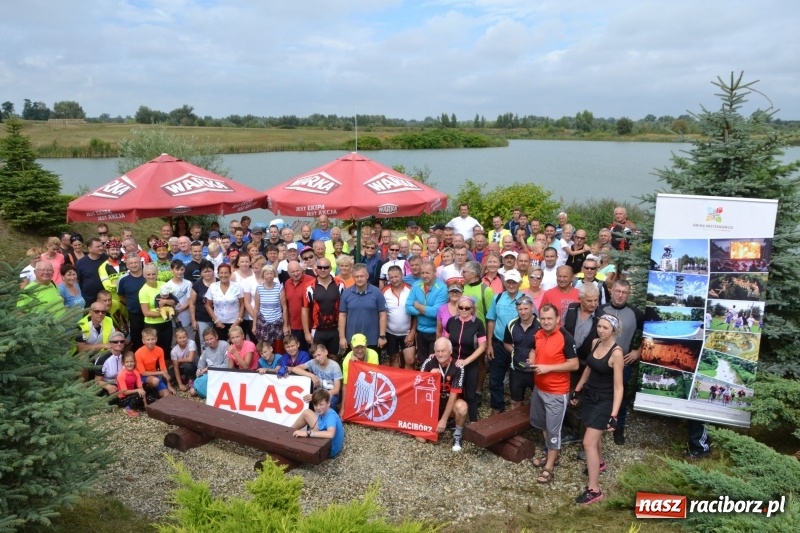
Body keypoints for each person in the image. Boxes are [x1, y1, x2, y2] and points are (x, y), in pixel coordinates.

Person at [572, 314, 625, 505]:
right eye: (599, 326)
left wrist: (614, 415)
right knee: (591, 434)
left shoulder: (616, 353)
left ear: (614, 331)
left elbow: (619, 387)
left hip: (605, 401)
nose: (601, 330)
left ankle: (594, 490)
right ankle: (600, 463)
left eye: (605, 328)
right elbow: (589, 368)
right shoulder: (596, 342)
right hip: (589, 396)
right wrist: (577, 389)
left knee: (588, 443)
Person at [528, 304, 579, 484]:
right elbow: (534, 349)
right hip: (539, 389)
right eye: (543, 318)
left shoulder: (566, 337)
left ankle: (549, 467)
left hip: (557, 392)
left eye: (550, 318)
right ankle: (551, 455)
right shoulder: (539, 333)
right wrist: (532, 359)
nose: (546, 322)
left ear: (558, 319)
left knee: (554, 430)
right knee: (543, 425)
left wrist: (548, 368)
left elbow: (574, 364)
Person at [596, 279, 644, 445]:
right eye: (618, 291)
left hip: (623, 362)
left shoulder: (635, 313)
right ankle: (598, 423)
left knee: (620, 395)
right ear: (612, 291)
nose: (620, 295)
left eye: (624, 292)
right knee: (600, 392)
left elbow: (651, 333)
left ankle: (619, 427)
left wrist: (638, 351)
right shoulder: (601, 310)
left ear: (629, 294)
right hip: (602, 360)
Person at [418, 337, 468, 452]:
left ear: (450, 351)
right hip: (431, 406)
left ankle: (457, 434)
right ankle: (434, 421)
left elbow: (453, 395)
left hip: (449, 406)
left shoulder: (458, 367)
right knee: (421, 439)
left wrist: (443, 419)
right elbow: (418, 386)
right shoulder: (429, 362)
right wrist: (429, 377)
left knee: (462, 407)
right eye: (437, 351)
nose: (440, 354)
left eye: (443, 351)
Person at [486, 269, 525, 413]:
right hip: (499, 344)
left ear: (519, 283)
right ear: (504, 282)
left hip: (519, 346)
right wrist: (489, 344)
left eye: (514, 282)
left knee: (517, 379)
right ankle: (497, 408)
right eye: (509, 281)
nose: (511, 284)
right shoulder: (497, 298)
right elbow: (491, 321)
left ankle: (516, 410)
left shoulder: (526, 300)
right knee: (496, 378)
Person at [444, 295, 487, 422]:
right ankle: (454, 418)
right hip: (452, 362)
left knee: (470, 395)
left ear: (472, 309)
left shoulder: (478, 323)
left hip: (469, 363)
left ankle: (473, 421)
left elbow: (482, 347)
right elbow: (445, 340)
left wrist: (466, 361)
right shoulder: (452, 321)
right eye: (461, 307)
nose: (463, 310)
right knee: (452, 393)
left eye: (467, 308)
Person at [338, 263, 388, 353]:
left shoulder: (377, 292)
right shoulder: (346, 293)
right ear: (353, 277)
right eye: (356, 277)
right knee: (353, 366)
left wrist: (382, 336)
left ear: (367, 276)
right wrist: (342, 337)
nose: (359, 279)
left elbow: (383, 315)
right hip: (352, 339)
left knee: (372, 366)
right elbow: (342, 316)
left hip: (372, 339)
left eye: (362, 276)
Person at [406, 261, 449, 365]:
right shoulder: (416, 285)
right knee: (423, 362)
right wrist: (423, 311)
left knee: (434, 363)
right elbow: (407, 307)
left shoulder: (442, 288)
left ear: (435, 272)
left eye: (427, 273)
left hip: (435, 331)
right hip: (420, 331)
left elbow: (436, 312)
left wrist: (417, 306)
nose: (424, 276)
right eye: (422, 273)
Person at [303, 258, 344, 357]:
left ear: (330, 269)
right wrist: (307, 333)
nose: (322, 270)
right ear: (316, 269)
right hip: (317, 330)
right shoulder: (309, 286)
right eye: (320, 267)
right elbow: (304, 310)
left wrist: (342, 334)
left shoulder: (340, 284)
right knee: (318, 359)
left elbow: (344, 310)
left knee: (334, 358)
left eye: (325, 267)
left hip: (335, 330)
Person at [291, 389, 344, 458]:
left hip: (330, 449)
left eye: (321, 404)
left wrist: (307, 433)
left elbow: (330, 434)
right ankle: (289, 430)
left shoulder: (331, 417)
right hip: (327, 440)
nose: (318, 408)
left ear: (328, 403)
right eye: (315, 405)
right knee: (307, 413)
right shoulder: (325, 411)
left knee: (302, 438)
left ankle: (289, 439)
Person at [138, 263, 176, 356]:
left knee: (166, 349)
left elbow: (174, 302)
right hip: (152, 325)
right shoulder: (143, 291)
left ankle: (165, 369)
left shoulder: (163, 285)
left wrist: (165, 303)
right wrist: (163, 313)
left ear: (157, 274)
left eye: (153, 274)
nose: (151, 276)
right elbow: (146, 312)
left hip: (166, 323)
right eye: (148, 274)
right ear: (144, 275)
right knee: (153, 350)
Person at [382, 265, 415, 368]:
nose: (394, 280)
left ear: (402, 275)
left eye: (396, 276)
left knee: (410, 360)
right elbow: (381, 313)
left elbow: (416, 314)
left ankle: (408, 383)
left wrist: (412, 333)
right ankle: (396, 383)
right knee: (394, 358)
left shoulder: (411, 289)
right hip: (390, 332)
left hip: (407, 332)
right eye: (391, 277)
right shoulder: (384, 291)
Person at [291, 344, 343, 410]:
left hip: (330, 394)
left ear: (326, 352)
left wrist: (317, 396)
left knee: (328, 405)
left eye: (319, 355)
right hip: (318, 392)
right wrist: (312, 375)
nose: (317, 358)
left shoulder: (334, 366)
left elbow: (336, 390)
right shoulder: (313, 362)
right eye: (315, 356)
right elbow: (295, 369)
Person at [253, 264, 289, 351]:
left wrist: (285, 325)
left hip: (277, 323)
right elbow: (256, 308)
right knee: (265, 350)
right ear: (263, 275)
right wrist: (254, 325)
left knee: (278, 350)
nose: (269, 276)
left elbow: (284, 308)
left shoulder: (279, 288)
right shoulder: (259, 288)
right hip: (263, 323)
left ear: (274, 275)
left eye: (271, 273)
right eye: (267, 273)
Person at [205, 263, 244, 341]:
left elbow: (242, 304)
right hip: (219, 323)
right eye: (221, 273)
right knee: (220, 347)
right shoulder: (213, 286)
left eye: (226, 273)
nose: (224, 275)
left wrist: (239, 320)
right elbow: (207, 305)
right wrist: (216, 320)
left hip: (235, 323)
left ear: (230, 274)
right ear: (218, 274)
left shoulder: (237, 286)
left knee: (236, 346)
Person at [135, 327, 175, 400]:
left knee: (167, 396)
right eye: (148, 340)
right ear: (143, 341)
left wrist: (169, 385)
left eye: (152, 339)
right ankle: (147, 391)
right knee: (155, 381)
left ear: (156, 339)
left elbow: (163, 368)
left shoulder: (159, 350)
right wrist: (161, 372)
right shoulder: (138, 353)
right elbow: (142, 372)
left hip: (154, 374)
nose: (150, 342)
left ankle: (155, 392)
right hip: (141, 377)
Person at [283, 261, 315, 351]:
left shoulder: (311, 280)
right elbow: (286, 305)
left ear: (302, 270)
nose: (296, 274)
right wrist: (287, 324)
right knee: (298, 352)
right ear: (288, 273)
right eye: (292, 272)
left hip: (310, 325)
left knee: (312, 352)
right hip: (294, 325)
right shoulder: (287, 283)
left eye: (297, 270)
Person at [189, 327, 230, 398]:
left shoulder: (224, 345)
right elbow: (200, 367)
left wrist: (210, 368)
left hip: (222, 374)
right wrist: (200, 372)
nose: (209, 342)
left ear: (216, 337)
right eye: (207, 340)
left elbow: (227, 365)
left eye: (211, 339)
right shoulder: (205, 351)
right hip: (209, 377)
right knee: (192, 391)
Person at [340, 333, 380, 399]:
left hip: (372, 386)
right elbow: (346, 385)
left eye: (362, 347)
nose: (360, 350)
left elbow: (374, 377)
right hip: (355, 387)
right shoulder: (347, 360)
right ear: (351, 347)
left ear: (366, 345)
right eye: (356, 347)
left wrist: (357, 364)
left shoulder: (373, 354)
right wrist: (343, 408)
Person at [188, 260, 216, 349]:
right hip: (202, 318)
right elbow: (192, 303)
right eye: (205, 271)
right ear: (201, 273)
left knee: (218, 340)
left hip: (218, 317)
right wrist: (193, 320)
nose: (207, 274)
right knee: (205, 342)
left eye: (209, 271)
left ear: (213, 271)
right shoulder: (197, 285)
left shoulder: (219, 282)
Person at [76, 237, 108, 307]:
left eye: (101, 245)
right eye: (98, 246)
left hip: (106, 298)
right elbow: (78, 280)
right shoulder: (80, 263)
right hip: (89, 299)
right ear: (89, 249)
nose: (101, 248)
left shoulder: (107, 259)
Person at [95, 331, 127, 397]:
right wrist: (107, 386)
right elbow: (97, 381)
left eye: (122, 341)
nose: (119, 343)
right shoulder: (102, 359)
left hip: (123, 384)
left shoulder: (126, 357)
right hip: (108, 386)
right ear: (110, 344)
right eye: (115, 342)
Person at [116, 352, 146, 417]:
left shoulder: (136, 372)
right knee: (138, 394)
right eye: (127, 362)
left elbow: (140, 388)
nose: (129, 364)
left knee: (149, 398)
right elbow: (124, 392)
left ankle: (140, 406)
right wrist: (137, 390)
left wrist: (145, 403)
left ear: (135, 362)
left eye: (131, 361)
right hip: (123, 399)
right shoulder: (121, 375)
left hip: (132, 395)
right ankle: (128, 408)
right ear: (123, 363)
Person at [169, 327, 197, 391]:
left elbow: (190, 359)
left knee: (188, 365)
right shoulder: (174, 351)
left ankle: (191, 378)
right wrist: (180, 384)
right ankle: (182, 378)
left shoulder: (191, 343)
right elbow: (176, 368)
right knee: (169, 376)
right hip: (180, 367)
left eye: (184, 337)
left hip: (192, 365)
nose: (182, 340)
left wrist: (178, 360)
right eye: (180, 338)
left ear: (187, 336)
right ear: (176, 339)